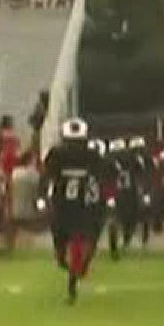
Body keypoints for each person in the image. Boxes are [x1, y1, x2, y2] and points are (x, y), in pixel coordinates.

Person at [40, 118, 106, 303]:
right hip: (81, 206)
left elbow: (45, 176)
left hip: (68, 206)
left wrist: (42, 196)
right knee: (84, 239)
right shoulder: (92, 155)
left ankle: (73, 275)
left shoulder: (58, 154)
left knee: (68, 243)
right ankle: (78, 268)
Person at [0, 116, 22, 254]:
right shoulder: (14, 141)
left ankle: (6, 240)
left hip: (2, 176)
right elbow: (15, 158)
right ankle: (9, 241)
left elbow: (1, 159)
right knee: (8, 208)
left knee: (3, 208)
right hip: (11, 175)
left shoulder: (0, 140)